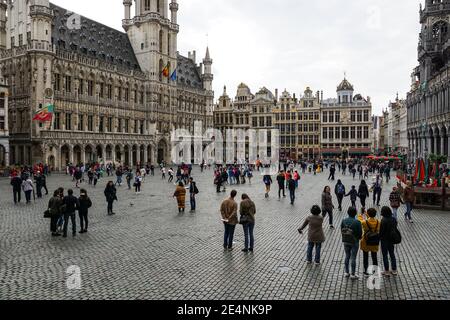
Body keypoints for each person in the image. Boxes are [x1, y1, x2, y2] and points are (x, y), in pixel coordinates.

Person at [341, 207, 363, 280]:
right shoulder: (357, 222)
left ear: (348, 212)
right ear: (355, 213)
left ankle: (347, 272)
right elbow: (360, 233)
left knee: (347, 255)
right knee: (353, 257)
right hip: (354, 241)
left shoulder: (343, 221)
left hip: (346, 241)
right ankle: (353, 274)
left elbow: (342, 230)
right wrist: (358, 238)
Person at [360, 208, 380, 276]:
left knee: (365, 257)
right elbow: (371, 220)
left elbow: (360, 220)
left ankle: (366, 271)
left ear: (368, 214)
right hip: (374, 242)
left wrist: (362, 214)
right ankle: (375, 271)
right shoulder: (378, 222)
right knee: (374, 257)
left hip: (366, 242)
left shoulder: (364, 222)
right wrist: (367, 214)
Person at [379, 206, 399, 276]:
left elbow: (381, 231)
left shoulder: (383, 220)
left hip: (384, 240)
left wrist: (379, 238)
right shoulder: (393, 219)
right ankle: (394, 270)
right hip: (391, 239)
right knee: (392, 254)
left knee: (385, 255)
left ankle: (386, 271)